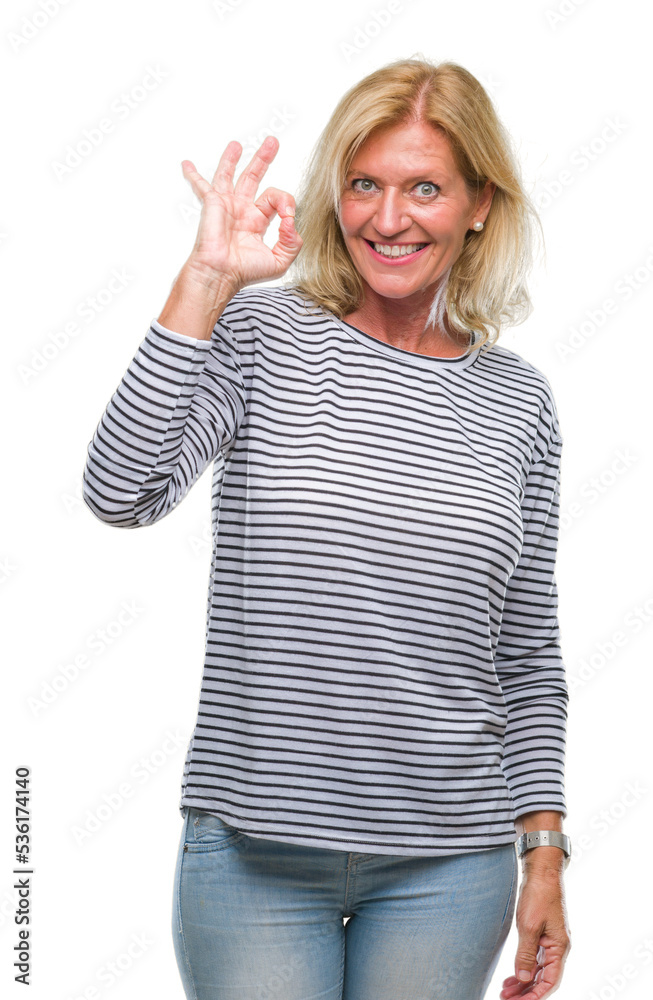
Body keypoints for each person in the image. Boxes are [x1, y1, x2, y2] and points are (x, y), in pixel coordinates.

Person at [82, 57, 572, 1000]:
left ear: (479, 204)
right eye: (362, 185)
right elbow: (120, 492)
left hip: (451, 861)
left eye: (423, 188)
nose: (387, 219)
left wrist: (543, 854)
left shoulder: (520, 403)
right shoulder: (261, 335)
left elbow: (524, 654)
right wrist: (205, 281)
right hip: (253, 851)